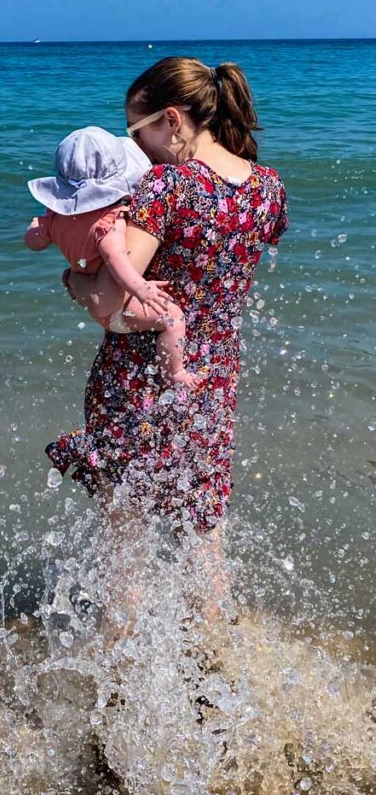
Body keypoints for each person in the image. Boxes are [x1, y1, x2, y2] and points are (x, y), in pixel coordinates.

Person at [46, 57, 288, 580]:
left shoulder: (166, 188)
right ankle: (215, 650)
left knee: (125, 533)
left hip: (138, 378)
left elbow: (111, 301)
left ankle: (119, 653)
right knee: (202, 529)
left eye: (135, 132)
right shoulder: (269, 190)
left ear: (172, 120)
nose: (131, 148)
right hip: (211, 382)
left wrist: (76, 283)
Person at [25, 126, 198, 387]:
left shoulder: (55, 217)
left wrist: (39, 226)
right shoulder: (109, 221)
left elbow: (34, 242)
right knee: (173, 318)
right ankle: (174, 372)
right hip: (119, 309)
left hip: (91, 296)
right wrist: (142, 290)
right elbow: (117, 260)